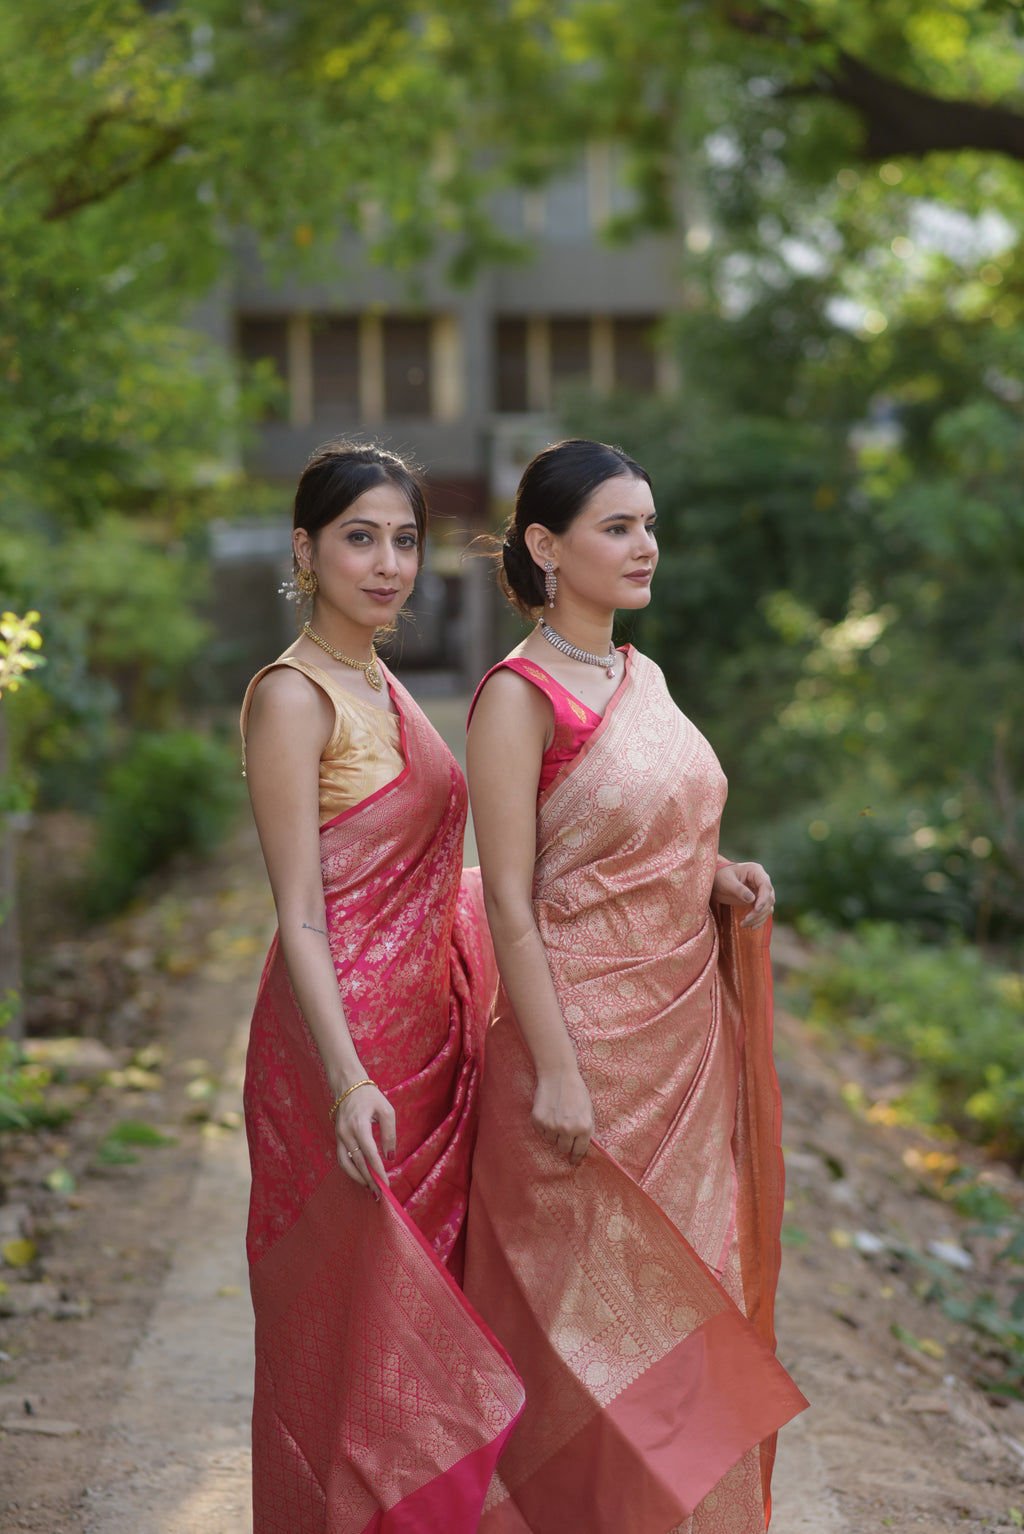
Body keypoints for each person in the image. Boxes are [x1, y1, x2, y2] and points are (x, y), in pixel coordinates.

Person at [463, 438, 807, 1533]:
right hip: (575, 1059)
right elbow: (513, 898)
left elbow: (640, 838)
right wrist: (555, 1071)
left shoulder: (641, 679)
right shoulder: (518, 698)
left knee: (679, 1313)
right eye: (618, 527)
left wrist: (714, 872)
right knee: (573, 1340)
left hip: (681, 1051)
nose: (645, 545)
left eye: (650, 523)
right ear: (544, 546)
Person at [240, 442, 524, 1534]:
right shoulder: (295, 697)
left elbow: (433, 871)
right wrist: (347, 1078)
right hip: (339, 1052)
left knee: (430, 1329)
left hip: (429, 1035)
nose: (387, 562)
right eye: (360, 537)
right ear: (306, 550)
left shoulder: (383, 680)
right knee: (352, 1331)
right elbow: (304, 911)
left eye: (404, 540)